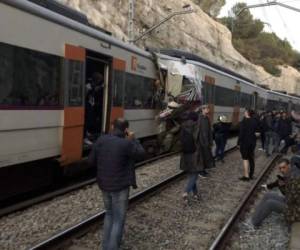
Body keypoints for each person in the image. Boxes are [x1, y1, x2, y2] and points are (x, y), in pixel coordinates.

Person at [88, 118, 145, 250]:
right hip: (120, 186)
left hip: (104, 184)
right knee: (118, 219)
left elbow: (90, 161)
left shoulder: (101, 140)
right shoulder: (126, 144)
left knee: (109, 214)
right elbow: (141, 154)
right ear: (126, 130)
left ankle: (105, 246)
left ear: (112, 126)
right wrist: (134, 140)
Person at [244, 158, 300, 230]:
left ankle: (254, 224)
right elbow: (289, 196)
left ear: (289, 166)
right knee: (268, 195)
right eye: (280, 168)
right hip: (292, 203)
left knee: (270, 203)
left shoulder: (295, 178)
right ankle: (253, 219)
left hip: (296, 210)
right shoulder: (291, 174)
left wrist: (282, 187)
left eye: (284, 167)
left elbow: (290, 199)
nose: (282, 170)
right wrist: (282, 186)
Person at [180, 111, 201, 203]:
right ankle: (185, 192)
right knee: (194, 174)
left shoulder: (183, 125)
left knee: (192, 174)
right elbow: (198, 140)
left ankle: (196, 194)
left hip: (185, 154)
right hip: (194, 154)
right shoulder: (196, 126)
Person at [238, 109, 258, 181]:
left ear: (248, 113)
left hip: (245, 143)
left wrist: (238, 143)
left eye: (245, 112)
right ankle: (251, 174)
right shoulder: (255, 121)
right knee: (251, 158)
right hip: (252, 143)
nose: (244, 112)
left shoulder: (244, 122)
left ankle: (246, 176)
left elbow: (241, 134)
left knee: (245, 159)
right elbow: (258, 132)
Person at [197, 105, 214, 178]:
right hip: (201, 141)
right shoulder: (199, 118)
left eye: (208, 108)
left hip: (206, 140)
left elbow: (209, 131)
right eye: (207, 108)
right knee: (202, 156)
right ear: (203, 110)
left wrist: (210, 140)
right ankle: (200, 171)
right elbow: (198, 131)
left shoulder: (206, 118)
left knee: (206, 156)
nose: (208, 109)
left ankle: (203, 170)